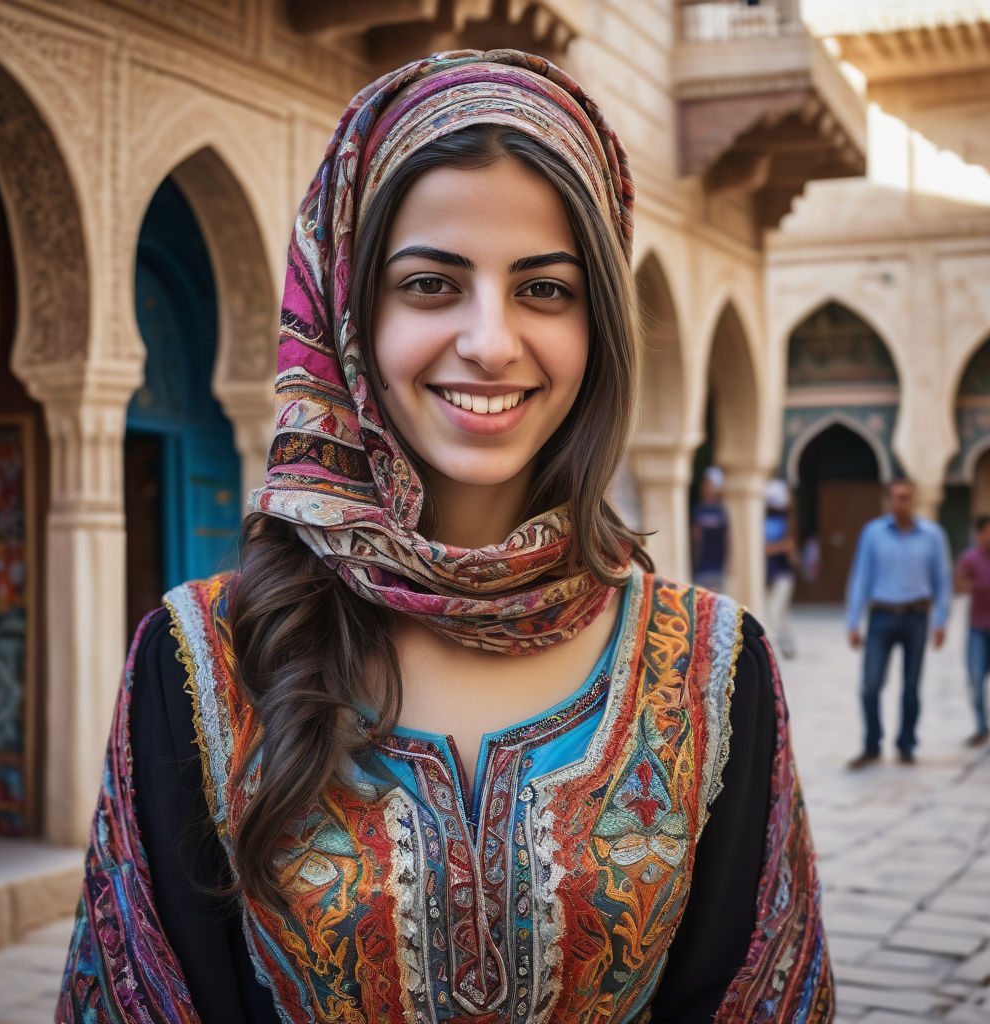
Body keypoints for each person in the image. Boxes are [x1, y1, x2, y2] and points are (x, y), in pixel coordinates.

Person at [58, 50, 831, 1023]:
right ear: (348, 313)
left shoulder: (714, 669)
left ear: (597, 323)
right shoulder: (202, 661)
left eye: (543, 289)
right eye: (431, 284)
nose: (491, 341)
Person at [845, 477, 951, 768]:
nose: (901, 503)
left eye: (906, 497)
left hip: (917, 617)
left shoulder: (933, 535)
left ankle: (906, 744)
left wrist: (941, 621)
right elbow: (861, 577)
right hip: (881, 616)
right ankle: (872, 744)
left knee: (912, 686)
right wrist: (853, 622)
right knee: (870, 684)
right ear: (888, 500)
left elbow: (942, 581)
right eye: (896, 497)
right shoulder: (873, 533)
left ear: (913, 500)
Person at [954, 514, 990, 746]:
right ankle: (980, 725)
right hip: (978, 628)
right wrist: (977, 586)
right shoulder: (969, 558)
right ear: (979, 533)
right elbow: (958, 585)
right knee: (976, 677)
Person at [764, 478, 797, 659]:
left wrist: (773, 548)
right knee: (777, 613)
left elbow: (790, 549)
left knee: (777, 613)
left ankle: (778, 649)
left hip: (782, 574)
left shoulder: (786, 524)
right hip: (769, 573)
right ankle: (785, 647)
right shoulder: (766, 521)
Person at [690, 465, 728, 592]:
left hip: (717, 568)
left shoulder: (723, 509)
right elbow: (696, 538)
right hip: (702, 568)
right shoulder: (699, 509)